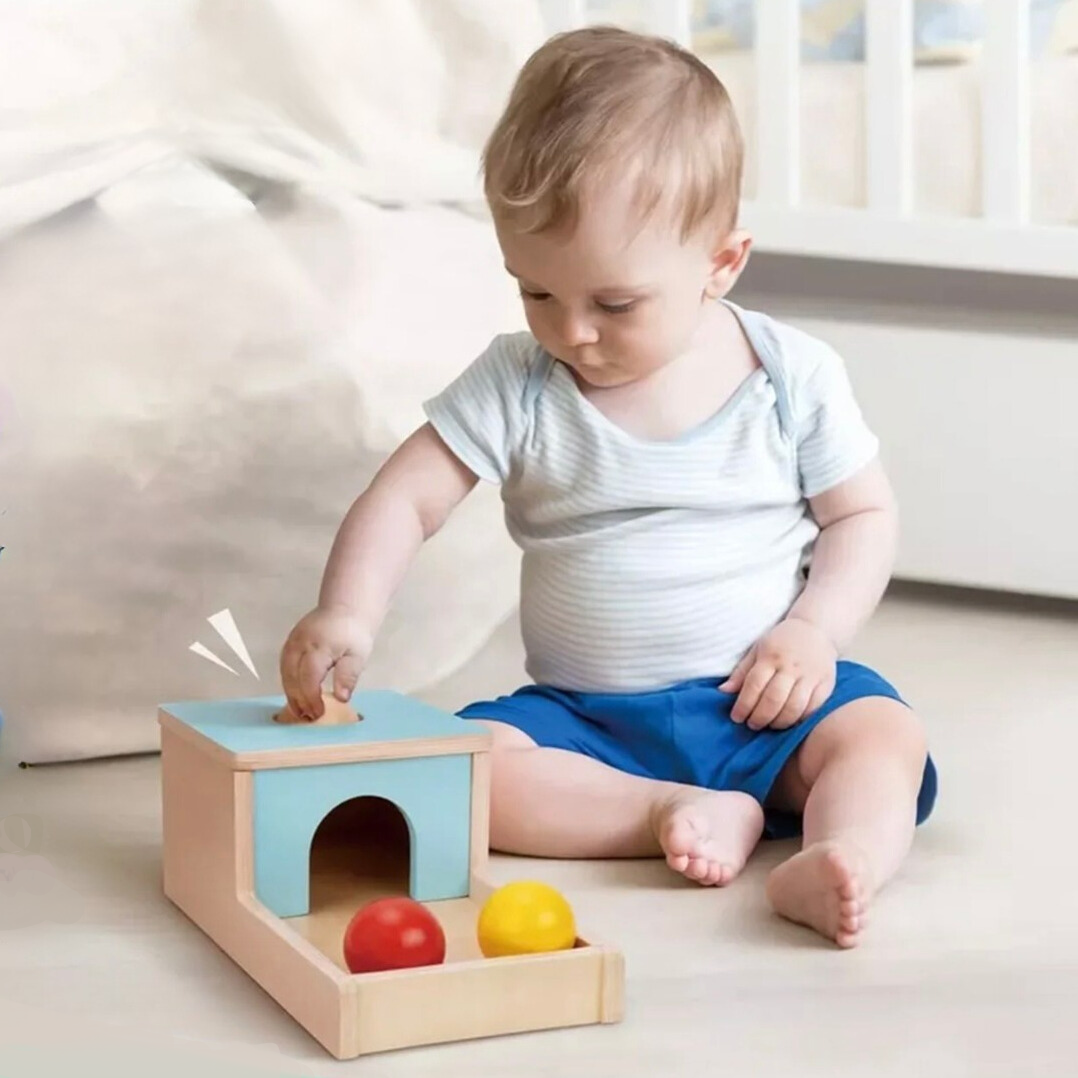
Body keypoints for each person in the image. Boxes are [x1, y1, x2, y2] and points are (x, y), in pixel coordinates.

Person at [279, 26, 937, 948]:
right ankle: (668, 811)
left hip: (766, 705)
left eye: (615, 304)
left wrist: (814, 632)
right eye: (536, 293)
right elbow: (405, 498)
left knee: (881, 737)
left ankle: (841, 858)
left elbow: (861, 514)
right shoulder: (518, 383)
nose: (572, 332)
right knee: (465, 770)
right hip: (587, 723)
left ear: (722, 263)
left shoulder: (791, 376)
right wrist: (346, 612)